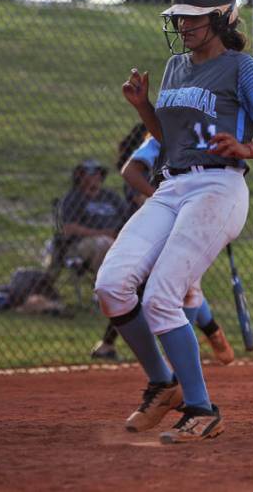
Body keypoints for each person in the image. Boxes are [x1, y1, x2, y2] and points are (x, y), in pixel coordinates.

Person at [94, 0, 253, 444]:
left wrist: (246, 150)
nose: (182, 25)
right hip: (171, 186)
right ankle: (164, 385)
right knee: (111, 287)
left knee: (163, 295)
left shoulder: (242, 67)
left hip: (217, 187)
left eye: (192, 17)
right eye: (178, 17)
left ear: (221, 18)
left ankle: (203, 409)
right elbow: (170, 140)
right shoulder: (175, 68)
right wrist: (145, 108)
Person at [90, 132, 235, 365]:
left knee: (186, 287)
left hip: (194, 218)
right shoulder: (160, 140)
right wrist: (159, 198)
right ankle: (207, 335)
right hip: (157, 221)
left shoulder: (199, 137)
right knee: (135, 285)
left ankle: (185, 355)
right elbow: (130, 172)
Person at [57, 159, 127, 275]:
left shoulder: (111, 196)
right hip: (82, 244)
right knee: (104, 243)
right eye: (89, 173)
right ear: (79, 177)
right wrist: (102, 233)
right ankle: (102, 285)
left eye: (97, 173)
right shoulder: (73, 197)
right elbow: (69, 228)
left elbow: (129, 218)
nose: (95, 177)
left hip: (117, 239)